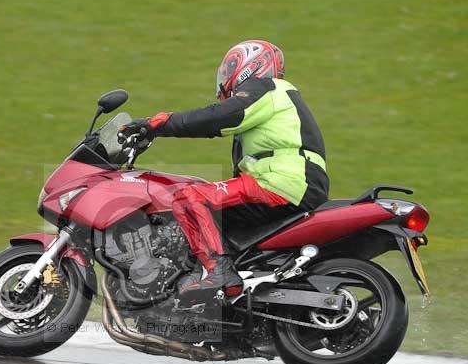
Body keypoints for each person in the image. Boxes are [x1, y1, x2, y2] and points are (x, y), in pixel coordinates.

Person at [118, 40, 329, 301]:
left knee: (190, 197)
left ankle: (219, 272)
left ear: (251, 64)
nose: (225, 77)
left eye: (230, 68)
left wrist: (159, 124)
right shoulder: (271, 102)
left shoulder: (266, 88)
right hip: (291, 183)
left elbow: (217, 117)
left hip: (283, 182)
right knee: (212, 214)